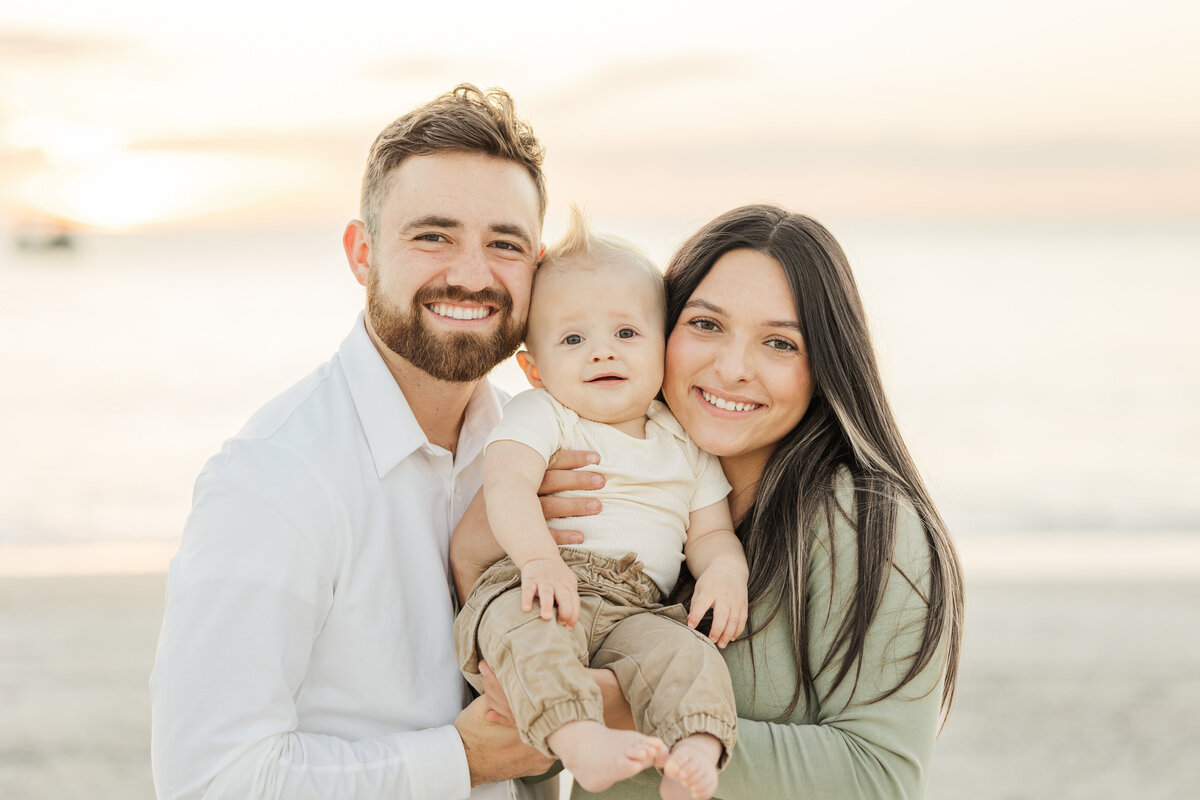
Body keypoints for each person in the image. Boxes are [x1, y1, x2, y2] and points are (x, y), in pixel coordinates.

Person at [150, 84, 595, 800]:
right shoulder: (275, 478)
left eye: (504, 245)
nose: (472, 275)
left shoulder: (535, 447)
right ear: (362, 253)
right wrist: (463, 758)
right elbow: (211, 782)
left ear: (536, 266)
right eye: (433, 236)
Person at [453, 204, 965, 798]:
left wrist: (631, 713)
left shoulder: (867, 521)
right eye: (705, 325)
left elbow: (881, 780)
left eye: (779, 342)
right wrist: (472, 562)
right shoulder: (606, 477)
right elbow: (529, 756)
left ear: (825, 362)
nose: (732, 368)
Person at [455, 209, 747, 800]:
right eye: (573, 339)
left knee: (683, 653)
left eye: (626, 333)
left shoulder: (682, 442)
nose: (602, 353)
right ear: (534, 369)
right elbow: (507, 486)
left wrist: (726, 570)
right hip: (535, 584)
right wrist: (539, 559)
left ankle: (696, 748)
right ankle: (579, 739)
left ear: (664, 347)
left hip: (639, 606)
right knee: (528, 639)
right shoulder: (545, 414)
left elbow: (710, 532)